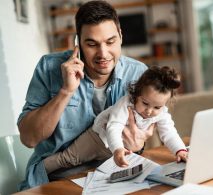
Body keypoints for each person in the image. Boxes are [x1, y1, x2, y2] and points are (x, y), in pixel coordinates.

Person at [17, 0, 153, 190]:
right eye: (91, 44)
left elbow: (144, 132)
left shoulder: (138, 73)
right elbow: (28, 138)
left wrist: (139, 144)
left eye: (110, 42)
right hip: (58, 177)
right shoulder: (49, 68)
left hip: (116, 174)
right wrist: (66, 91)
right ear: (77, 43)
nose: (103, 54)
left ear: (121, 36)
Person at [43, 66, 188, 173]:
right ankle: (40, 170)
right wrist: (118, 149)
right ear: (136, 94)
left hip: (117, 151)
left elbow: (169, 132)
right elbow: (114, 127)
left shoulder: (162, 113)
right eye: (145, 103)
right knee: (68, 159)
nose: (149, 111)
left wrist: (180, 150)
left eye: (157, 107)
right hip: (97, 139)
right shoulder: (126, 103)